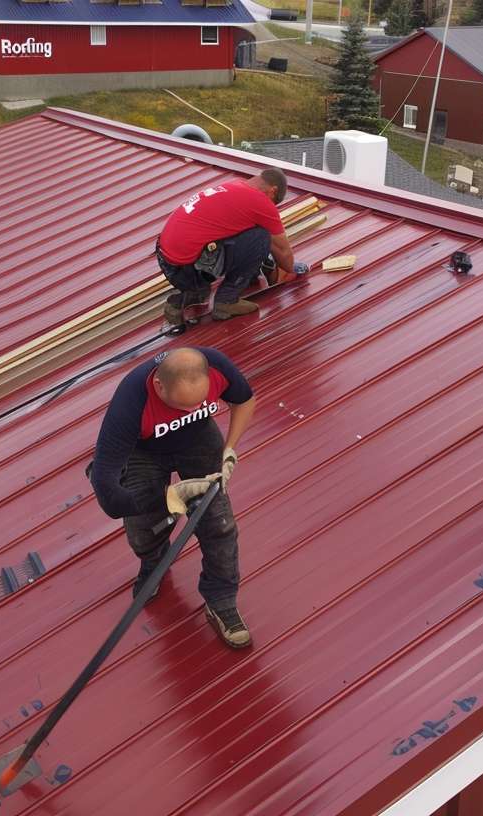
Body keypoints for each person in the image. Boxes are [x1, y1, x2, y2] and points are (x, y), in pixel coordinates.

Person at [88, 346, 257, 648]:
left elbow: (244, 399)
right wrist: (168, 496)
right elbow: (109, 498)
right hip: (145, 451)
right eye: (179, 406)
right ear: (158, 386)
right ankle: (154, 562)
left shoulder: (217, 366)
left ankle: (221, 601)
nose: (187, 412)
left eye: (196, 405)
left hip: (199, 441)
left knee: (219, 524)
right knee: (143, 528)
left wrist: (229, 449)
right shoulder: (129, 405)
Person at [156, 168, 307, 328]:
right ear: (273, 190)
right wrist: (293, 267)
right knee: (261, 236)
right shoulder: (260, 201)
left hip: (169, 262)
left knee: (245, 230)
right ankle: (226, 301)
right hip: (190, 268)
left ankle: (188, 296)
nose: (272, 206)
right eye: (274, 202)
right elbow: (285, 257)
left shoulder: (234, 186)